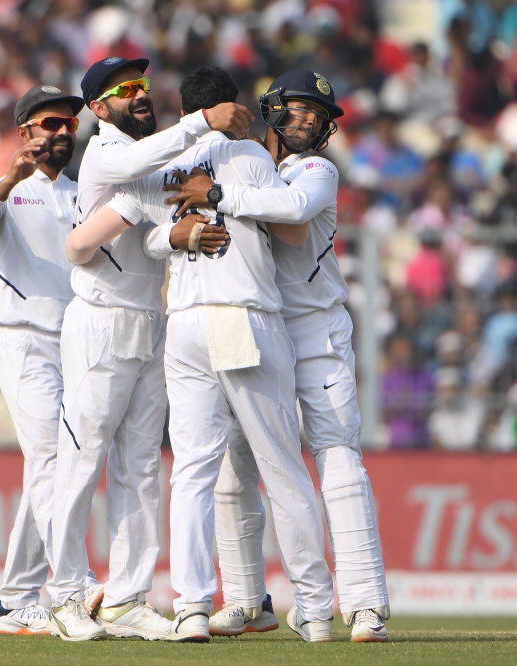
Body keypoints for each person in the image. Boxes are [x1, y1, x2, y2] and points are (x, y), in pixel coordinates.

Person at [80, 66, 335, 643]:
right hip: (245, 313)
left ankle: (192, 606)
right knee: (282, 468)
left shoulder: (163, 163)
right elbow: (291, 225)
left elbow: (142, 233)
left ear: (184, 110)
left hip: (185, 323)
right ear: (236, 107)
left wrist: (177, 232)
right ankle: (316, 609)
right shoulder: (251, 154)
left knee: (192, 471)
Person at [164, 69, 391, 643]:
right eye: (297, 107)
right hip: (253, 329)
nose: (309, 119)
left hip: (313, 331)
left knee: (337, 459)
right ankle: (246, 599)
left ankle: (364, 604)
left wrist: (214, 195)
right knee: (231, 469)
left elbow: (291, 212)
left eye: (319, 113)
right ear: (268, 110)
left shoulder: (316, 170)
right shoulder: (245, 162)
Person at [46, 56, 252, 642]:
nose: (138, 95)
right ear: (98, 107)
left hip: (151, 323)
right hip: (99, 323)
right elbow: (129, 186)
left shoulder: (158, 156)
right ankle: (64, 594)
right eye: (123, 89)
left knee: (140, 469)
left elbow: (157, 229)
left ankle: (127, 597)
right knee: (82, 461)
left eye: (141, 85)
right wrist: (201, 122)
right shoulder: (106, 151)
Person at [0, 84, 89, 636]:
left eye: (68, 125)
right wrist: (7, 180)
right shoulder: (4, 189)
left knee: (52, 469)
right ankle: (71, 589)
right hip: (25, 340)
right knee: (53, 464)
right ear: (25, 132)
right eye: (50, 124)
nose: (61, 133)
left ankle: (15, 600)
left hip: (79, 345)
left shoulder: (86, 192)